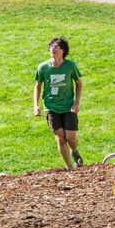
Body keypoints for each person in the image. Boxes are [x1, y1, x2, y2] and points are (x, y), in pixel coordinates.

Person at [33, 36, 84, 168]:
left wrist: (76, 103)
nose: (52, 49)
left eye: (56, 47)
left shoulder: (70, 66)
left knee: (71, 139)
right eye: (51, 47)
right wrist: (36, 105)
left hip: (68, 106)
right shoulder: (43, 67)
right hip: (51, 107)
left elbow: (79, 83)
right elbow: (37, 86)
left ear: (63, 50)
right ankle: (69, 168)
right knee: (60, 139)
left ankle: (74, 151)